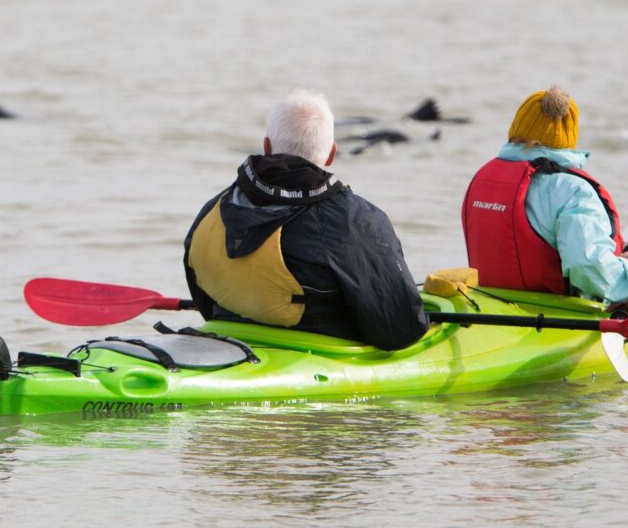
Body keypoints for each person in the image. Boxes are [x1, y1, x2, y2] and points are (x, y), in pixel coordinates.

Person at [183, 89, 429, 351]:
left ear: (267, 146)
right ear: (332, 153)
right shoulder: (355, 220)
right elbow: (398, 331)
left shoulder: (215, 208)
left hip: (230, 334)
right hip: (316, 349)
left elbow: (203, 299)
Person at [462, 85, 628, 302]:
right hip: (551, 313)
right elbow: (588, 269)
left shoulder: (482, 178)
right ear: (568, 135)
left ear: (516, 127)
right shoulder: (574, 192)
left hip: (488, 304)